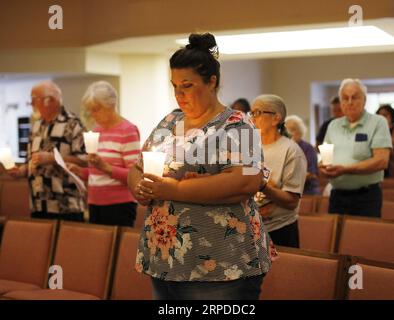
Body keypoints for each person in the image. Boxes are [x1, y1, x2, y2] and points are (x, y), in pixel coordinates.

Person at [127, 33, 275, 300]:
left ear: (212, 82)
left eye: (187, 85)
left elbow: (246, 182)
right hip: (166, 257)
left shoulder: (237, 124)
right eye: (174, 86)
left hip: (220, 263)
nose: (179, 94)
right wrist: (139, 187)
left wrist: (172, 188)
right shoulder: (170, 121)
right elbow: (137, 167)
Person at [6, 80, 87, 221]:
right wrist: (19, 171)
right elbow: (31, 162)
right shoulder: (36, 126)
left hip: (66, 205)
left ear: (50, 100)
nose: (31, 104)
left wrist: (53, 158)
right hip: (38, 204)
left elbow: (85, 161)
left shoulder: (73, 124)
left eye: (33, 99)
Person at [68, 81, 141, 227]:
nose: (93, 115)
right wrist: (81, 172)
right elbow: (96, 173)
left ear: (111, 105)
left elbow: (134, 175)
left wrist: (104, 166)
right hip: (94, 202)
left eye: (96, 109)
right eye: (91, 110)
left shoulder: (128, 130)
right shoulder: (96, 131)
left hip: (119, 204)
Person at [320, 79, 392, 217]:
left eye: (355, 97)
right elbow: (325, 157)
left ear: (364, 100)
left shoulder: (378, 122)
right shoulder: (333, 125)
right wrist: (322, 167)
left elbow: (382, 161)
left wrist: (345, 170)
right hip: (337, 195)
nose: (350, 102)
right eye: (345, 98)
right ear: (341, 102)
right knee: (337, 237)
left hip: (365, 197)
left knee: (364, 237)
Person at [250, 95, 307, 248]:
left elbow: (291, 202)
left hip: (280, 231)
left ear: (276, 118)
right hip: (251, 229)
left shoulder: (292, 151)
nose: (252, 118)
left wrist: (262, 185)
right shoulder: (250, 148)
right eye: (251, 113)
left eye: (258, 112)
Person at [285, 115, 320, 195]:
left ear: (300, 131)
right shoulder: (283, 148)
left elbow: (311, 173)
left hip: (307, 191)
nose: (289, 132)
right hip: (288, 191)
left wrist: (288, 180)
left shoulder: (308, 148)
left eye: (293, 129)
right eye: (287, 129)